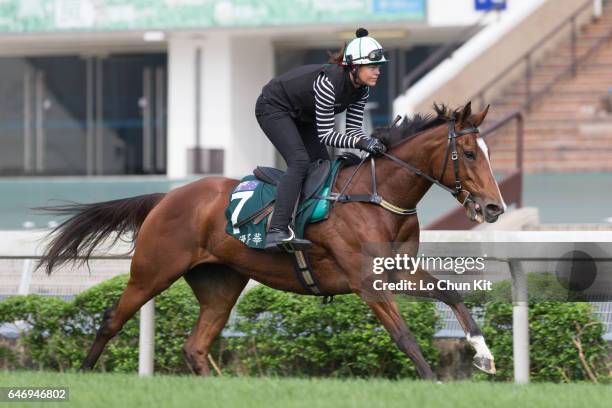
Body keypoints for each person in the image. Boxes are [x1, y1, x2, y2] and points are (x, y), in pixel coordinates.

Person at [255, 28, 388, 252]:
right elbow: (327, 135)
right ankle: (276, 230)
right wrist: (360, 144)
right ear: (354, 67)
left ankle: (305, 225)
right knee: (299, 162)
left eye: (379, 67)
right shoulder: (328, 84)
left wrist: (371, 142)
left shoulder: (362, 90)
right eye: (372, 67)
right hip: (273, 107)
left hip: (302, 115)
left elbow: (354, 130)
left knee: (322, 166)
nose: (377, 72)